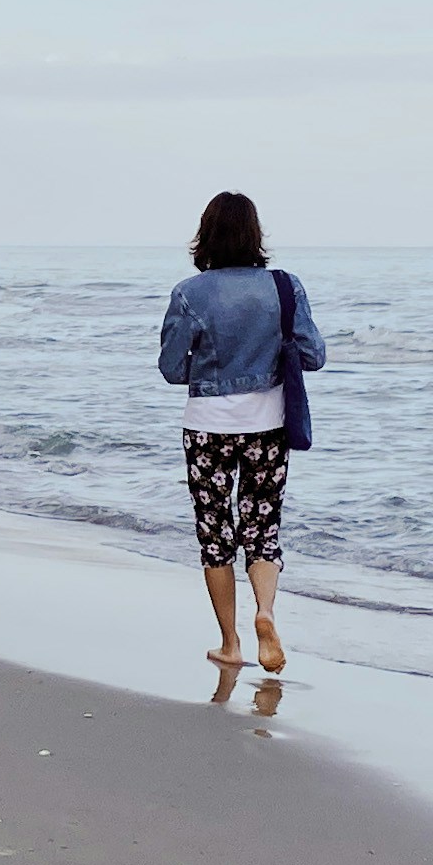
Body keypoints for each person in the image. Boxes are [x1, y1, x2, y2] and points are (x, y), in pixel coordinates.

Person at [156, 191, 325, 674]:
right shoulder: (284, 287)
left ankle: (230, 644)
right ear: (256, 234)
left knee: (215, 535)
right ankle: (266, 614)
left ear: (205, 235)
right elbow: (314, 355)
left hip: (207, 427)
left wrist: (211, 368)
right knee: (263, 529)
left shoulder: (190, 293)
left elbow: (170, 369)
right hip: (268, 425)